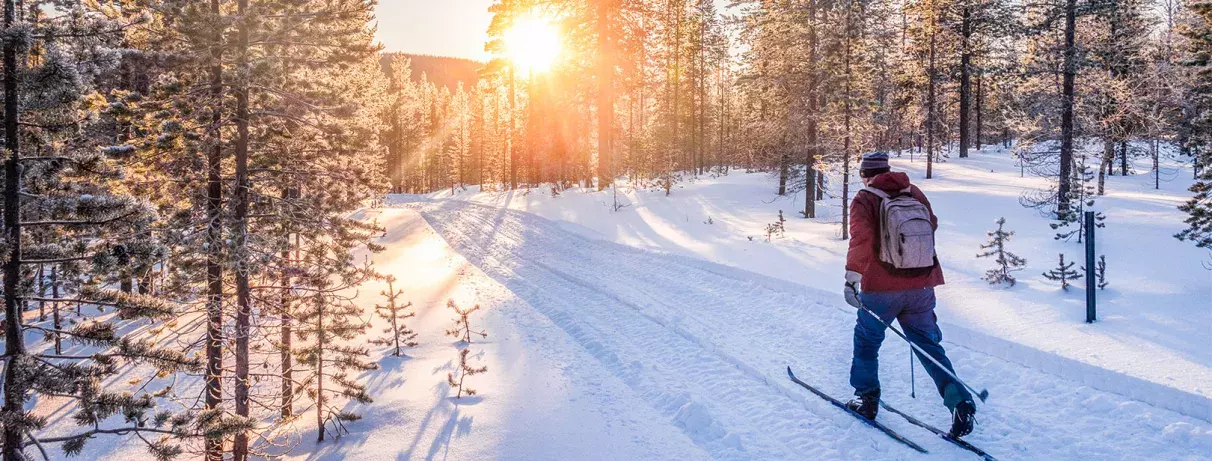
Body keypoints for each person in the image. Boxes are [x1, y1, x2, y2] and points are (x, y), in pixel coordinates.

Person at [842, 152, 977, 437]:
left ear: (865, 175)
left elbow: (861, 239)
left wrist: (852, 277)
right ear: (887, 169)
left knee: (867, 342)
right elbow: (932, 224)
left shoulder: (864, 199)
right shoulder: (914, 192)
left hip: (881, 288)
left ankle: (866, 399)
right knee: (928, 346)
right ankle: (960, 402)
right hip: (921, 285)